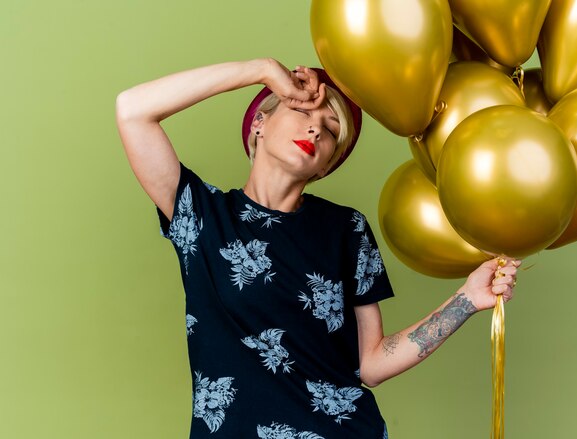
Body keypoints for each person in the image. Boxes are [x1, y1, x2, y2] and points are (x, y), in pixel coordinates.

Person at [115, 58, 519, 439]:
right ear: (259, 122)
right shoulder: (201, 216)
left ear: (327, 165)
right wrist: (262, 70)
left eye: (330, 131)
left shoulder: (345, 228)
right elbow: (132, 109)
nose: (316, 131)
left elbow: (373, 363)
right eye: (303, 113)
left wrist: (466, 299)